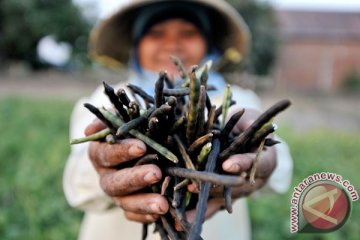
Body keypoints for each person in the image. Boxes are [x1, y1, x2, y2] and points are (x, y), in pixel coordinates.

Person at [63, 0, 293, 239]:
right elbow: (77, 184)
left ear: (208, 43)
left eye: (189, 32)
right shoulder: (106, 100)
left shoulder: (238, 99)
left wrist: (265, 156)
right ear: (137, 44)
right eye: (155, 33)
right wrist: (100, 167)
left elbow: (279, 169)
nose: (172, 43)